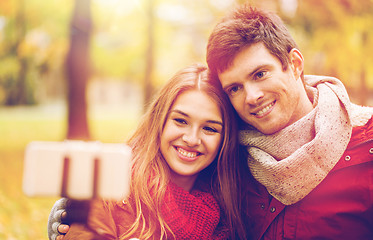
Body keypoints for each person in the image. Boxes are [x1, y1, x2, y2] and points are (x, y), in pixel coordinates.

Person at [206, 3, 373, 240]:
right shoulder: (227, 161)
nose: (252, 97)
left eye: (260, 74)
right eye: (235, 88)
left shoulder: (368, 147)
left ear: (295, 65)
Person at [47, 63, 246, 240]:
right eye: (180, 121)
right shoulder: (111, 188)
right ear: (160, 120)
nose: (192, 139)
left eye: (209, 128)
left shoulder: (228, 206)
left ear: (225, 139)